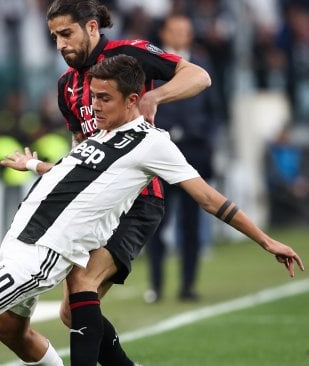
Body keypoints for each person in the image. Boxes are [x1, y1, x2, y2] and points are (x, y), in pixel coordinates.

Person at [0, 55, 304, 366]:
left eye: (104, 99)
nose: (93, 106)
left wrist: (265, 240)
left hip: (44, 252)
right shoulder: (102, 134)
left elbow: (209, 197)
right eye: (93, 96)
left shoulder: (154, 144)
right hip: (22, 236)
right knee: (9, 332)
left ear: (133, 99)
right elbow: (77, 175)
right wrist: (35, 164)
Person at [29, 1, 212, 365]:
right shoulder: (66, 85)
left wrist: (153, 95)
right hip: (96, 205)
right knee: (72, 312)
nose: (60, 44)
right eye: (54, 37)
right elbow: (81, 149)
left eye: (67, 33)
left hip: (138, 198)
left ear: (92, 28)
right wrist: (40, 167)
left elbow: (199, 76)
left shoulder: (129, 55)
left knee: (83, 286)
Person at [145, 13, 224, 303]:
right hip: (160, 153)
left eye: (185, 30)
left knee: (191, 225)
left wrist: (207, 140)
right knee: (155, 222)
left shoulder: (202, 65)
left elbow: (214, 110)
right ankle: (156, 285)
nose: (181, 35)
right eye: (175, 30)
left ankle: (188, 286)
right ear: (164, 33)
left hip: (193, 152)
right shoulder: (152, 65)